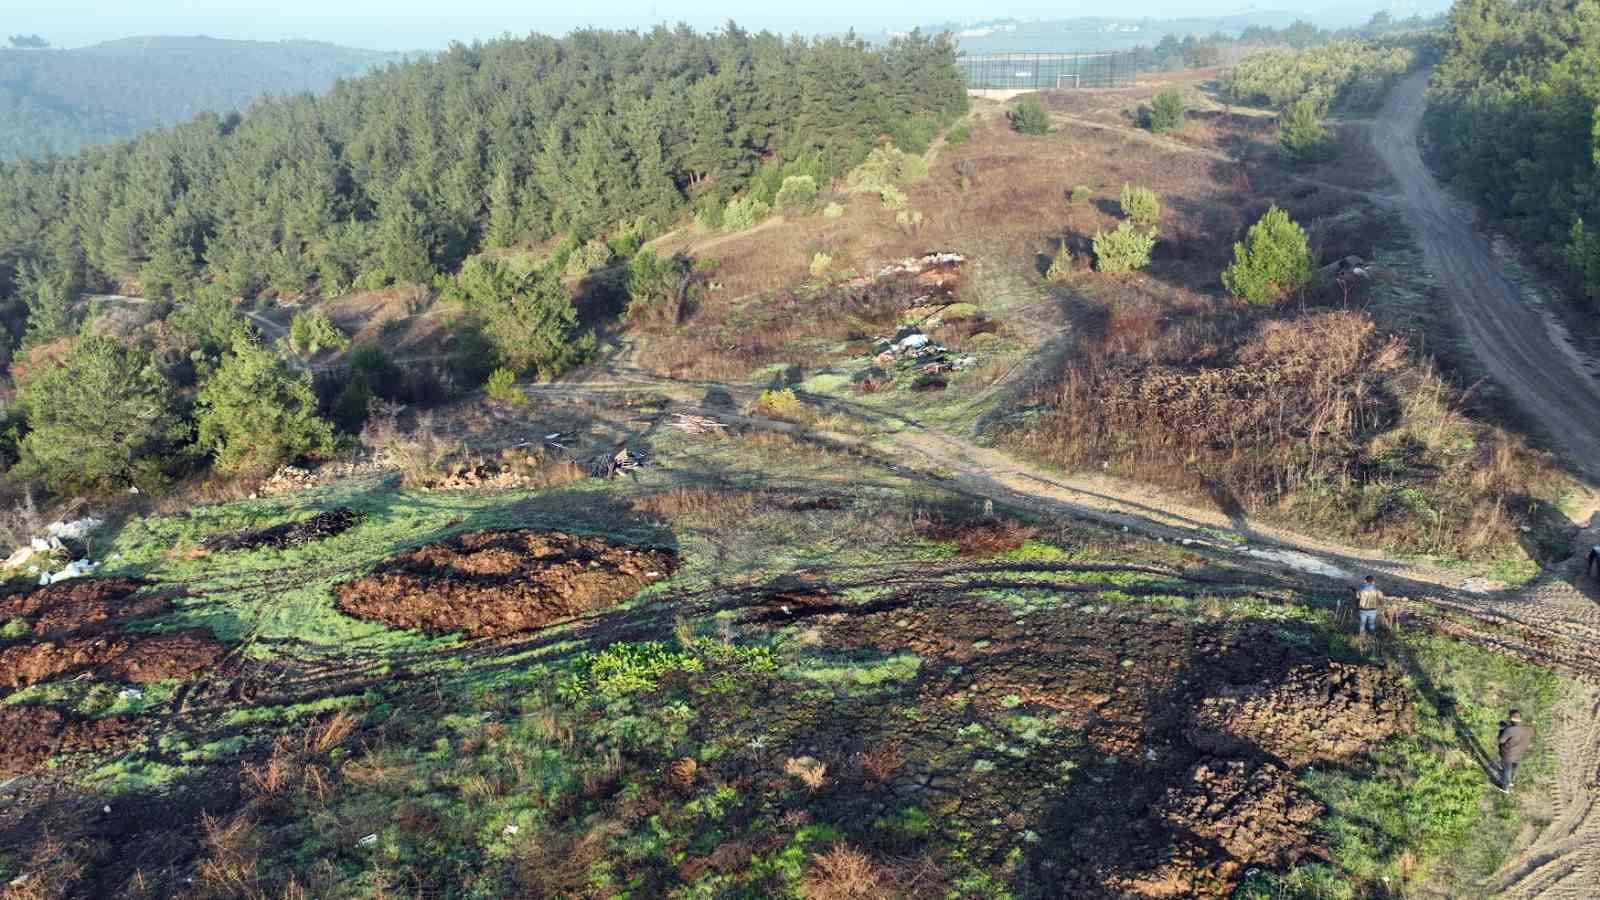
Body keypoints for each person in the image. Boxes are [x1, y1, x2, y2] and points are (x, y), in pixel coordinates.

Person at [1497, 709, 1535, 792]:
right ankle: (1511, 782)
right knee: (1514, 768)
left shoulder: (1509, 730)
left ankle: (1505, 787)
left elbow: (1501, 740)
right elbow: (1531, 734)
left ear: (1511, 719)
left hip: (1508, 754)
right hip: (1520, 754)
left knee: (1507, 770)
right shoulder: (1528, 730)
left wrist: (1501, 730)